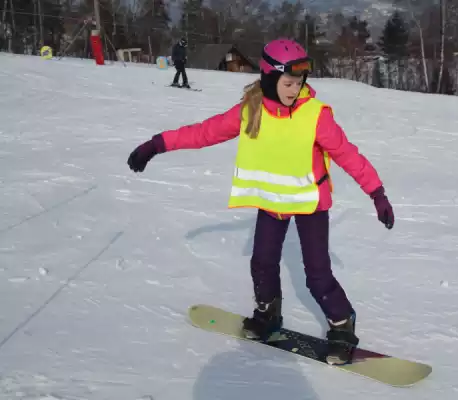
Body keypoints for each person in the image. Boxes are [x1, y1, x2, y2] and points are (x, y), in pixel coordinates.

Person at [127, 38, 395, 365]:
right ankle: (268, 312)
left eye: (299, 83)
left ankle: (342, 325)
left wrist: (376, 193)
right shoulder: (251, 110)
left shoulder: (314, 116)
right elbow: (204, 132)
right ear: (269, 79)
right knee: (262, 262)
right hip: (272, 201)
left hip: (310, 202)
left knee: (317, 275)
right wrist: (157, 144)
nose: (294, 89)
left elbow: (347, 154)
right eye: (288, 83)